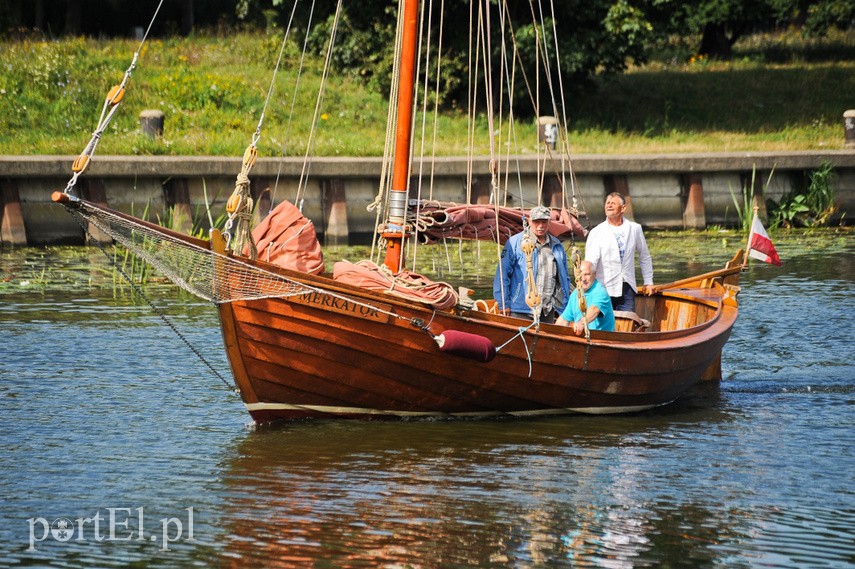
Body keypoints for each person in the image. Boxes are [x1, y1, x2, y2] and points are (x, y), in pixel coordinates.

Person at [493, 205, 572, 324]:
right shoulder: (515, 243)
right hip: (520, 309)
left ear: (549, 222)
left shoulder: (557, 246)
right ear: (530, 221)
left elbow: (564, 279)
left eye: (544, 222)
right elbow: (502, 274)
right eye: (536, 222)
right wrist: (503, 303)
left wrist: (566, 305)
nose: (540, 226)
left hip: (547, 309)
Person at [584, 192, 653, 312]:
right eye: (607, 203)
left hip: (627, 287)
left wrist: (648, 281)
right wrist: (586, 284)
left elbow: (644, 257)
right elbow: (590, 263)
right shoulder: (597, 232)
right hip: (603, 287)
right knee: (604, 326)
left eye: (613, 203)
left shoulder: (634, 229)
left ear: (623, 208)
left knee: (627, 323)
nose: (609, 206)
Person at [556, 260, 615, 335]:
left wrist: (581, 323)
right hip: (582, 340)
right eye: (580, 275)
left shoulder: (600, 292)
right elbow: (563, 320)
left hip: (602, 341)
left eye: (586, 274)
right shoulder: (575, 294)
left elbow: (594, 310)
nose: (583, 279)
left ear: (594, 274)